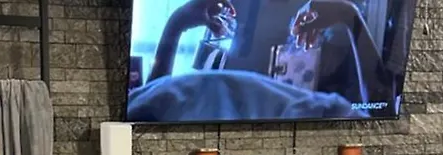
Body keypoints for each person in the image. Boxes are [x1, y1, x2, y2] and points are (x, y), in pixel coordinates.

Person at [145, 0, 398, 106]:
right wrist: (176, 23)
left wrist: (349, 15)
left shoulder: (325, 14)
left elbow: (379, 107)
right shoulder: (228, 11)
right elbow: (150, 113)